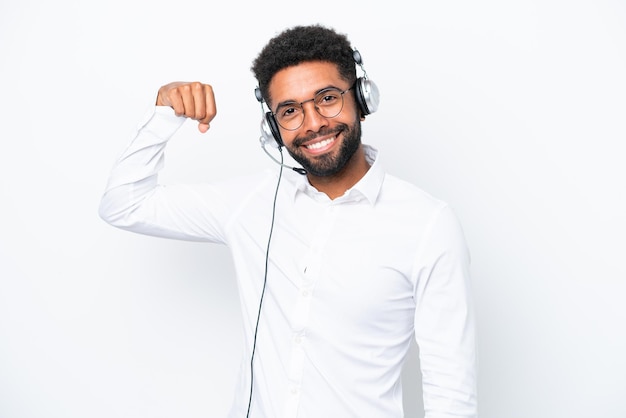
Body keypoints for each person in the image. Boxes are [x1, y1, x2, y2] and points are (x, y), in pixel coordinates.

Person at [99, 24, 477, 418]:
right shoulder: (250, 203)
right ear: (273, 128)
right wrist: (164, 114)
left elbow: (451, 392)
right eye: (291, 111)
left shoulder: (428, 225)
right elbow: (124, 204)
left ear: (363, 98)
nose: (313, 123)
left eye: (327, 98)